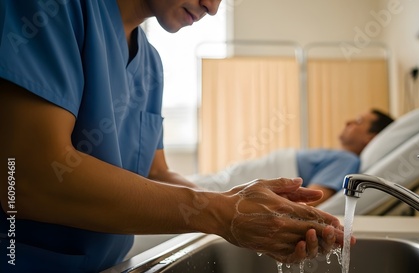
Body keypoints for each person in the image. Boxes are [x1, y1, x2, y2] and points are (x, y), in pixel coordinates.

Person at [0, 0, 352, 272]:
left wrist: (245, 206)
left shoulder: (150, 64)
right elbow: (30, 178)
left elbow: (156, 173)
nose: (212, 8)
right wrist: (220, 213)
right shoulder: (53, 10)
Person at [191, 109, 394, 206]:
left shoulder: (347, 160)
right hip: (236, 177)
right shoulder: (339, 156)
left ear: (371, 137)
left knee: (189, 191)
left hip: (236, 183)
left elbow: (313, 198)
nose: (348, 120)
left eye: (358, 121)